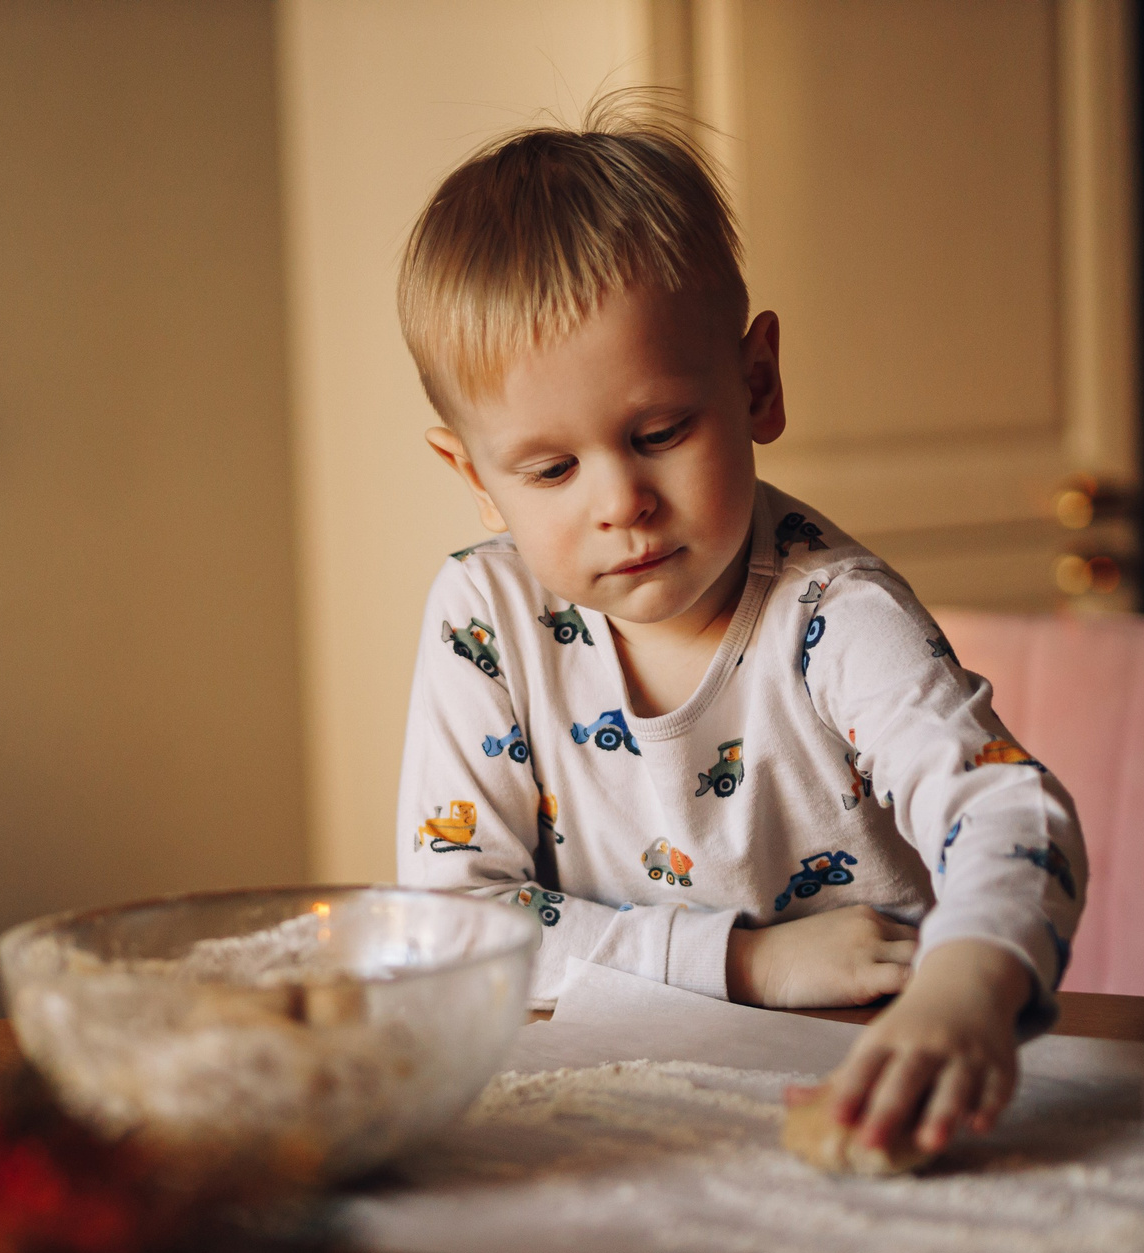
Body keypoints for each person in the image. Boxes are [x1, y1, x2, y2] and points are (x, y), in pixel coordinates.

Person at [392, 101, 1087, 1165]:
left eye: (659, 432)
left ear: (756, 383)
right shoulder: (483, 620)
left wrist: (966, 986)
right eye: (549, 469)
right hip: (606, 1119)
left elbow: (1011, 813)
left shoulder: (831, 614)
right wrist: (747, 965)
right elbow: (454, 926)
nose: (620, 501)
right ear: (475, 479)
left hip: (853, 1075)